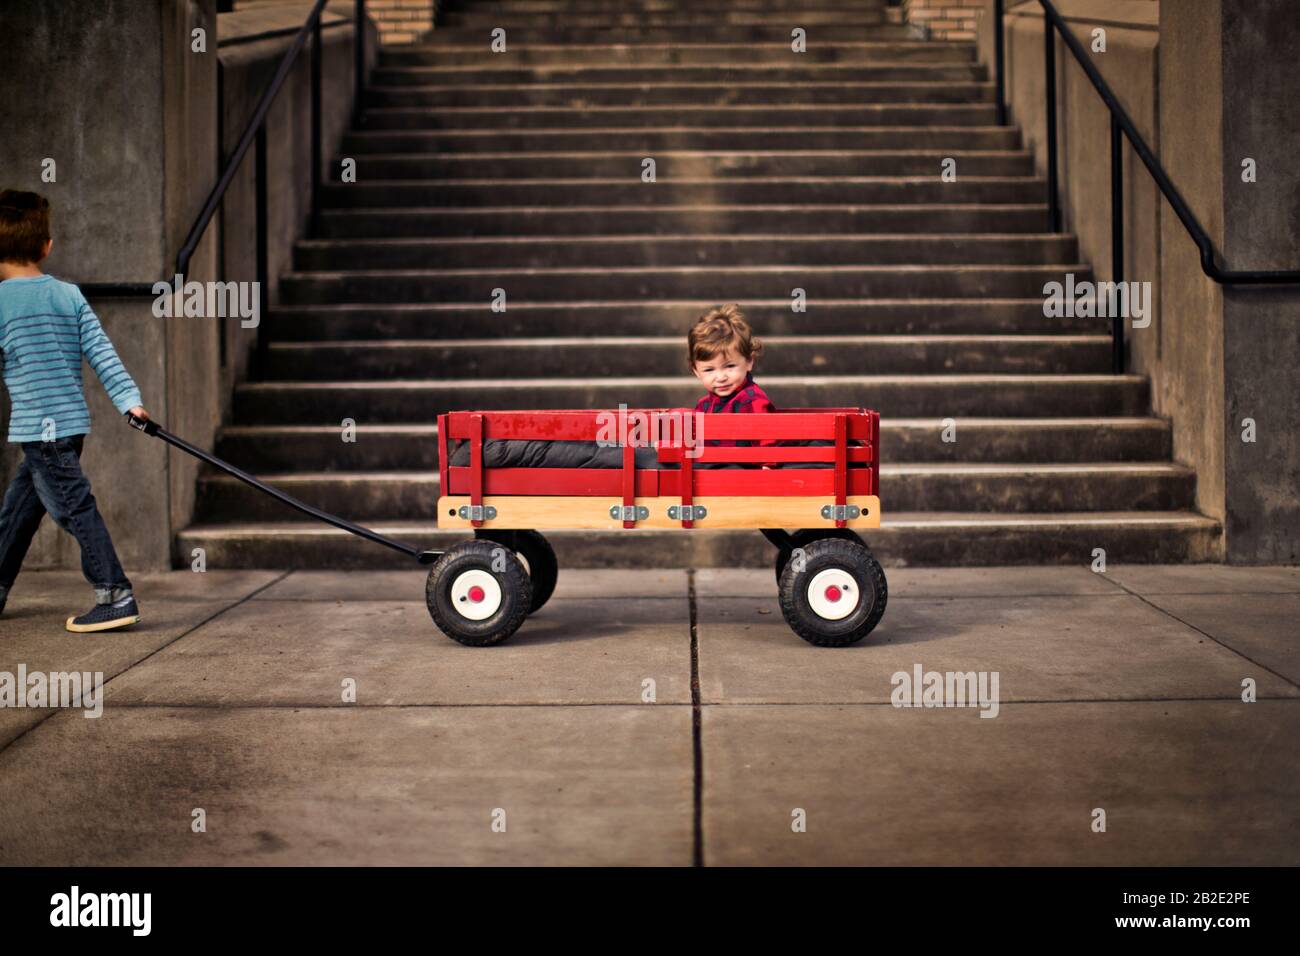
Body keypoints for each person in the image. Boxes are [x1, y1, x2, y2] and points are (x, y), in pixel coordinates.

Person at [0, 189, 150, 632]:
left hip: (39, 433)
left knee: (74, 508)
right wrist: (130, 402)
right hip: (69, 428)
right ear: (47, 246)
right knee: (19, 511)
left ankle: (115, 593)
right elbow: (102, 353)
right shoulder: (69, 295)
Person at [687, 303, 782, 470]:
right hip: (713, 474)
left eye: (730, 367)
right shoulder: (704, 405)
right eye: (709, 369)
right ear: (696, 371)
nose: (721, 377)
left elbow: (767, 437)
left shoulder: (751, 400)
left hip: (743, 473)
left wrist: (768, 465)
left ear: (749, 361)